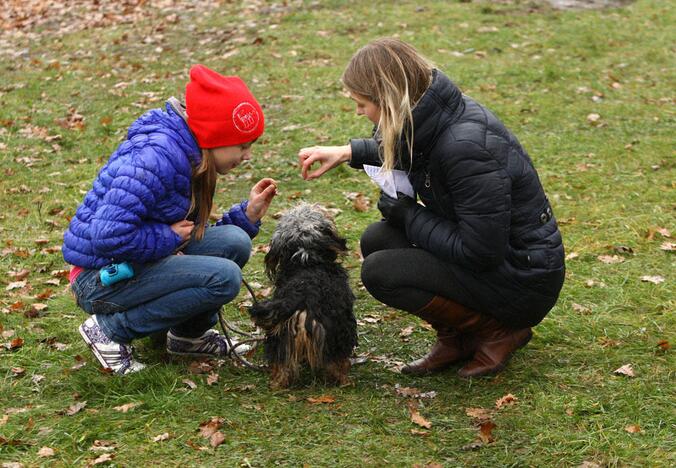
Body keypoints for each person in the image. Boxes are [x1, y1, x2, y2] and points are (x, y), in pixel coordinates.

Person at [298, 38, 565, 377]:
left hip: (524, 279)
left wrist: (410, 216)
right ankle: (457, 338)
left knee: (382, 271)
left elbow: (481, 252)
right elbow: (418, 146)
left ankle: (497, 333)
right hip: (504, 263)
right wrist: (348, 151)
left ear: (389, 99)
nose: (358, 112)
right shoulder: (436, 115)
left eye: (362, 103)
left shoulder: (466, 148)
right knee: (379, 238)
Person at [62, 64, 277, 375]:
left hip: (134, 263)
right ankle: (109, 330)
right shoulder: (154, 159)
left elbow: (190, 232)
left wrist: (247, 216)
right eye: (242, 146)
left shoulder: (189, 154)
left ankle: (189, 338)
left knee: (234, 242)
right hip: (100, 278)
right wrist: (168, 238)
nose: (246, 156)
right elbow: (108, 235)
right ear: (214, 136)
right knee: (224, 278)